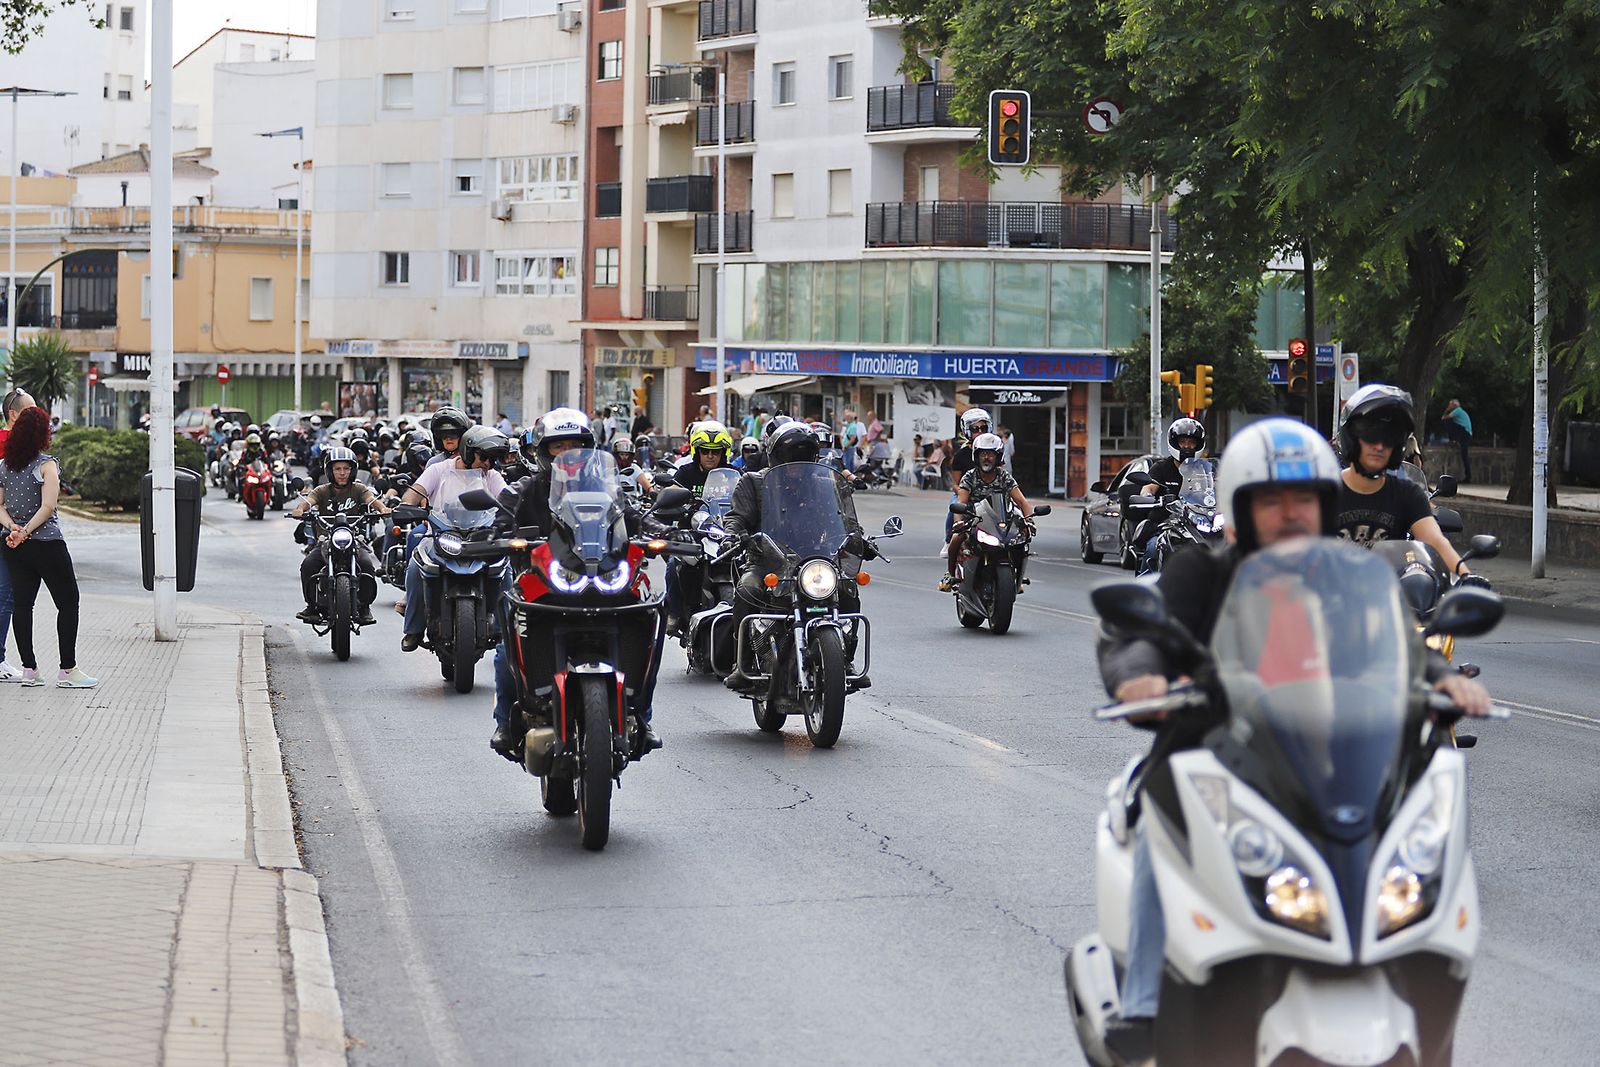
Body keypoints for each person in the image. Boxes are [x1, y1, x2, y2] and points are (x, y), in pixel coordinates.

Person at [1094, 417, 1491, 1061]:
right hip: (1217, 749)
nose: (1290, 514)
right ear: (1242, 509)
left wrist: (1445, 679)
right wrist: (1139, 677)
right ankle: (1143, 1001)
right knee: (1153, 814)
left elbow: (1399, 647)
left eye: (1303, 499)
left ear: (1323, 506)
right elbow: (1142, 632)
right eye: (1271, 500)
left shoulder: (1346, 581)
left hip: (1326, 758)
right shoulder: (1203, 571)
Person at [490, 408, 663, 758]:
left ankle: (641, 717)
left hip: (602, 579)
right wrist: (494, 535)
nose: (567, 453)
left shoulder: (606, 488)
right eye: (558, 447)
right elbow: (499, 520)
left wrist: (658, 532)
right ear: (542, 452)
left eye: (575, 445)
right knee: (505, 651)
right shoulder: (524, 489)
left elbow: (632, 517)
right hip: (543, 584)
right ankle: (505, 723)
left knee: (646, 626)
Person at [721, 421, 876, 691]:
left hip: (816, 560)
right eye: (789, 458)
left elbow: (846, 521)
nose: (795, 465)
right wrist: (732, 536)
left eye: (802, 459)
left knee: (848, 588)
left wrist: (859, 539)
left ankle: (845, 658)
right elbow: (736, 517)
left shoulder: (825, 483)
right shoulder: (755, 482)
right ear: (776, 456)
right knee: (747, 589)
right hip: (768, 559)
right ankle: (742, 662)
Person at [1335, 385, 1478, 581]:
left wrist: (1467, 577)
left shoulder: (1407, 494)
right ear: (1351, 437)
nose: (1379, 446)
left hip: (1389, 600)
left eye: (1389, 439)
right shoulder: (1325, 492)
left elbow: (1435, 541)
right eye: (1371, 436)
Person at [0, 407, 97, 688]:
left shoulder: (4, 465)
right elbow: (49, 506)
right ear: (43, 433)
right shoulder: (46, 465)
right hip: (47, 545)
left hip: (14, 545)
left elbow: (0, 506)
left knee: (22, 604)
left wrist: (13, 529)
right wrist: (26, 531)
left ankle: (29, 670)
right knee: (68, 602)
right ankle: (68, 670)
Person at [397, 425, 511, 652]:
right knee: (414, 567)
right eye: (484, 457)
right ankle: (414, 628)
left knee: (505, 567)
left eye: (493, 459)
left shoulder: (492, 476)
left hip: (481, 538)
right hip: (439, 535)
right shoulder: (438, 470)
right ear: (468, 452)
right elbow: (414, 493)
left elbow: (508, 499)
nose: (488, 463)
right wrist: (406, 506)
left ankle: (505, 628)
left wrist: (518, 512)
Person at [290, 447, 391, 626]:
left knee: (367, 565)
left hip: (354, 539)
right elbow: (308, 502)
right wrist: (299, 510)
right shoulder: (322, 490)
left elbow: (372, 501)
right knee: (308, 565)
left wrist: (383, 509)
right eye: (338, 469)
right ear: (330, 471)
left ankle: (365, 606)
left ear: (353, 470)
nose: (342, 473)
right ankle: (311, 606)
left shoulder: (359, 489)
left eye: (346, 468)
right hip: (326, 541)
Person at [939, 432, 1036, 591]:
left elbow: (1021, 501)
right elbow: (961, 501)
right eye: (983, 454)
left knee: (1021, 541)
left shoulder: (1004, 476)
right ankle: (949, 574)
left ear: (998, 457)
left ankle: (1016, 577)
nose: (986, 458)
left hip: (1000, 521)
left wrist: (1029, 521)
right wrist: (958, 523)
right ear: (976, 456)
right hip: (974, 521)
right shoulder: (969, 477)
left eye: (990, 454)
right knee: (956, 539)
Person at [0, 389, 38, 681]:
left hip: (12, 528)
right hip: (9, 530)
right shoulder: (10, 447)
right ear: (13, 415)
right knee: (7, 595)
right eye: (29, 412)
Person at [1442, 398, 1473, 483]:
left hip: (1465, 433)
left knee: (1448, 422)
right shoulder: (1459, 411)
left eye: (1450, 405)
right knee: (1464, 455)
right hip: (1465, 433)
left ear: (1454, 405)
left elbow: (1444, 418)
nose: (1448, 406)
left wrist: (1446, 410)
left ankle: (1468, 477)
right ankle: (1468, 476)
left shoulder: (1458, 410)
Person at [840, 408, 866, 473]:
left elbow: (855, 438)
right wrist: (843, 446)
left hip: (852, 448)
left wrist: (860, 445)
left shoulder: (856, 425)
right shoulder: (848, 425)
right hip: (848, 447)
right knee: (849, 463)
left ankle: (850, 478)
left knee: (849, 464)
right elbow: (841, 436)